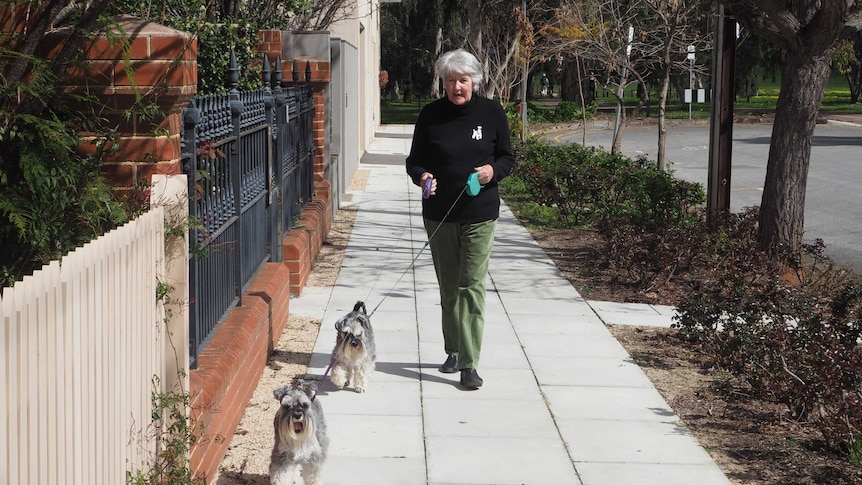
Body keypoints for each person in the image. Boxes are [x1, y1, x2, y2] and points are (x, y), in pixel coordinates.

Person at [405, 49, 514, 390]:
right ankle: (452, 350)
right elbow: (414, 161)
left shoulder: (491, 112)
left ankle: (469, 363)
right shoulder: (430, 115)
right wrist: (423, 177)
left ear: (475, 82)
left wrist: (491, 171)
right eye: (451, 81)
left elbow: (507, 158)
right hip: (439, 215)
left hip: (480, 214)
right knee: (449, 287)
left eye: (463, 81)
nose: (457, 87)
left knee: (471, 287)